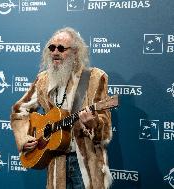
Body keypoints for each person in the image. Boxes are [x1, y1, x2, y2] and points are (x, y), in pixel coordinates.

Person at [10, 27, 113, 189]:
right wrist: (23, 138)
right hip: (56, 164)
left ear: (76, 52)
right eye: (52, 48)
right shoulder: (42, 80)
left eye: (61, 48)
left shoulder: (94, 77)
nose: (55, 52)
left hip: (86, 165)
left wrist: (92, 123)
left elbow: (105, 128)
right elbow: (19, 110)